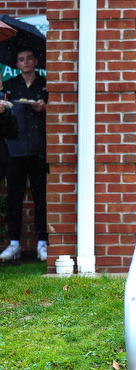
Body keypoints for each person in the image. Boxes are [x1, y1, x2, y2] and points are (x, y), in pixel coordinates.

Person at [0, 48, 48, 262]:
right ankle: (15, 243)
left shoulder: (45, 84)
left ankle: (42, 242)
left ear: (36, 61)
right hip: (15, 150)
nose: (26, 62)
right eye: (21, 59)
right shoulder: (9, 86)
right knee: (14, 199)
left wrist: (45, 107)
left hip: (39, 150)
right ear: (17, 64)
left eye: (29, 58)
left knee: (41, 199)